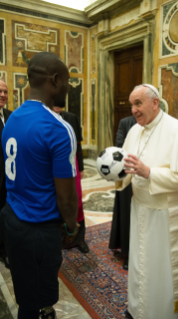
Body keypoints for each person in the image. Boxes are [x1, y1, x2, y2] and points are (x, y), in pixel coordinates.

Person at [116, 84, 178, 319]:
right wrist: (115, 173)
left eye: (138, 103)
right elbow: (127, 166)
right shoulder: (135, 130)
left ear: (155, 103)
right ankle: (140, 310)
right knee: (142, 266)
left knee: (167, 272)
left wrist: (149, 173)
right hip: (142, 211)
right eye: (131, 105)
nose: (134, 110)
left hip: (171, 214)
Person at [0, 52, 79, 319]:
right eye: (67, 81)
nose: (69, 87)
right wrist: (71, 226)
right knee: (39, 303)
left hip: (11, 218)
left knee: (26, 294)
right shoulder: (57, 127)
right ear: (55, 80)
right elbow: (67, 198)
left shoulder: (12, 118)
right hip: (39, 229)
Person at [53, 106, 89, 253]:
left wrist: (80, 167)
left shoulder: (71, 117)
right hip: (53, 165)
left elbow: (78, 146)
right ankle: (60, 238)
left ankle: (79, 239)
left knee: (77, 201)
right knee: (58, 201)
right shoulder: (45, 119)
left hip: (72, 163)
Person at [109, 115, 136, 270]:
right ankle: (127, 253)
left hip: (150, 177)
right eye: (133, 105)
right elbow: (118, 147)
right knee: (127, 216)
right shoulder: (125, 122)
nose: (135, 109)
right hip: (128, 175)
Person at [0, 80, 11, 269]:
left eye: (5, 92)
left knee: (8, 215)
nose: (2, 95)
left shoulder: (12, 116)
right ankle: (3, 251)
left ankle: (8, 248)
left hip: (11, 176)